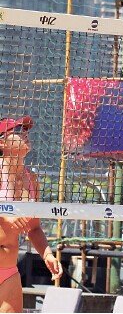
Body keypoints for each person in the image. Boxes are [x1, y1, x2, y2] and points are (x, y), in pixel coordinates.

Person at [0, 116, 63, 312]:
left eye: (26, 131)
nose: (25, 135)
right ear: (2, 141)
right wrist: (5, 216)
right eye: (18, 131)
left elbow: (33, 228)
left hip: (9, 272)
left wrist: (47, 254)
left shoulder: (31, 179)